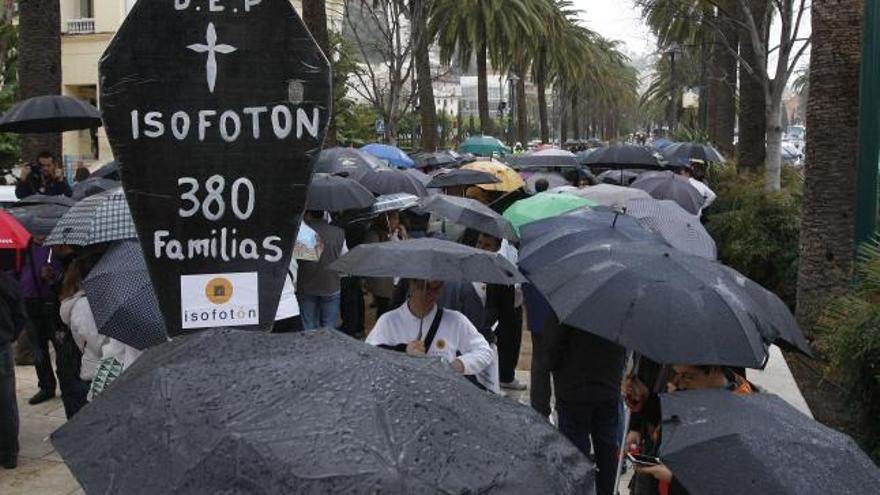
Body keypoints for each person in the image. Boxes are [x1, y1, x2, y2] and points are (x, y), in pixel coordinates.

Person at [625, 364, 754, 494]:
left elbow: (724, 482)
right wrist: (646, 400)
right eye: (677, 375)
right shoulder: (694, 393)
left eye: (688, 376)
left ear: (714, 369)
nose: (680, 384)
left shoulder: (740, 414)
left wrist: (675, 479)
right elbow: (674, 421)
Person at [543, 313, 626, 495]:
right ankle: (608, 490)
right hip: (607, 385)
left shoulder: (568, 303)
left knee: (574, 453)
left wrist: (552, 364)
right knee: (607, 449)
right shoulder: (622, 304)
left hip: (573, 388)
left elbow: (552, 346)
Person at [366, 279, 494, 390]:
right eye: (424, 287)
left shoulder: (455, 320)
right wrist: (402, 350)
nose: (430, 294)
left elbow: (484, 351)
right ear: (411, 283)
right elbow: (369, 357)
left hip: (443, 397)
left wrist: (460, 365)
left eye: (436, 288)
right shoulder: (389, 321)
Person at [475, 233, 524, 391]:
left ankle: (505, 376)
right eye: (479, 243)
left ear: (497, 247)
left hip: (495, 327)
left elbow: (505, 314)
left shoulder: (502, 272)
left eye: (487, 245)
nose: (482, 248)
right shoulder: (471, 265)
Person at [58, 257, 107, 417]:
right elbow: (98, 344)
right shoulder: (84, 306)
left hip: (94, 370)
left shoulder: (91, 302)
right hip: (93, 373)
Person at [21, 238, 62, 405]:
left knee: (61, 346)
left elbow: (68, 271)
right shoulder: (23, 245)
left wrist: (53, 276)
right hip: (28, 300)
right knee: (38, 348)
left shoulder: (56, 245)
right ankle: (46, 386)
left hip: (51, 299)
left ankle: (68, 382)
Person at [296, 211, 347, 330]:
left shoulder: (301, 233)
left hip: (306, 285)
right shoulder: (339, 232)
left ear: (309, 215)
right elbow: (344, 257)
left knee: (308, 326)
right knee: (329, 327)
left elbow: (296, 260)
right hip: (331, 284)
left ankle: (311, 348)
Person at [0, 256, 26, 469]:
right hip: (2, 346)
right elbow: (20, 315)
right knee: (6, 402)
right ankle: (9, 454)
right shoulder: (6, 280)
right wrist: (10, 336)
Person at [363, 211, 407, 318]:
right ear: (386, 219)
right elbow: (372, 256)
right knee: (385, 312)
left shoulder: (397, 234)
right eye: (394, 219)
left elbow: (406, 253)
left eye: (397, 219)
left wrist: (404, 237)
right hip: (384, 283)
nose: (397, 222)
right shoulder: (374, 234)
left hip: (397, 280)